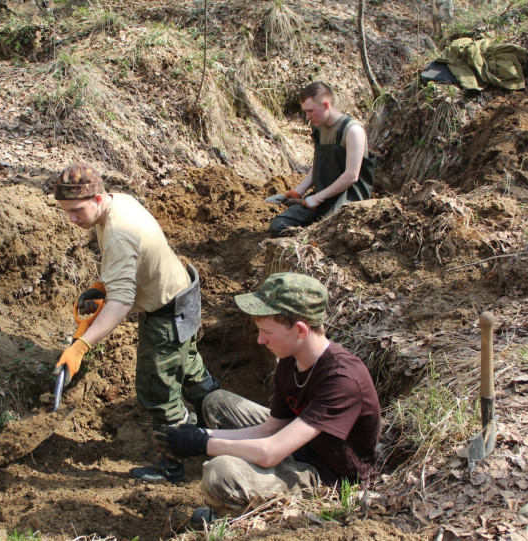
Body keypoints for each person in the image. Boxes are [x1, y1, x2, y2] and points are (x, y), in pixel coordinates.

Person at [158, 272, 381, 519]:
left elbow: (270, 452)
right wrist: (201, 434)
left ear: (300, 330)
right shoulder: (291, 358)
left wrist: (202, 445)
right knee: (217, 403)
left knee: (220, 473)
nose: (260, 340)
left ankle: (234, 517)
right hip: (295, 445)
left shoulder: (342, 380)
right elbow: (269, 429)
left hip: (327, 476)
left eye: (267, 332)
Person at [52, 161, 220, 483]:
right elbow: (136, 261)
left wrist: (82, 346)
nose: (71, 219)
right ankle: (225, 424)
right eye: (66, 212)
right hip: (185, 294)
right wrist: (105, 285)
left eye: (76, 210)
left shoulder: (117, 233)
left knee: (157, 391)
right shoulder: (120, 202)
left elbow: (122, 303)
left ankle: (171, 466)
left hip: (165, 315)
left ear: (98, 199)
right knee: (190, 368)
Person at [270, 82, 376, 236]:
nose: (307, 117)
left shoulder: (352, 131)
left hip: (348, 201)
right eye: (305, 112)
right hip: (323, 197)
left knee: (327, 233)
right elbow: (319, 164)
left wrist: (318, 198)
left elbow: (351, 176)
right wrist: (299, 191)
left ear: (326, 105)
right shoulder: (319, 129)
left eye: (310, 111)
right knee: (278, 226)